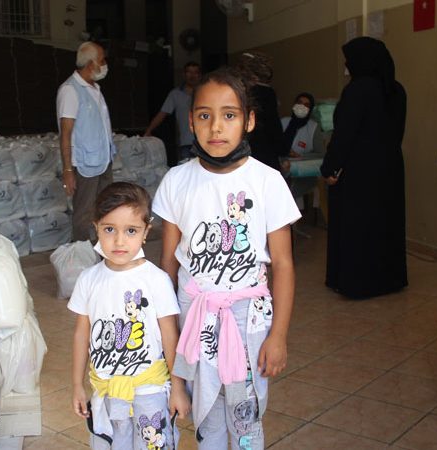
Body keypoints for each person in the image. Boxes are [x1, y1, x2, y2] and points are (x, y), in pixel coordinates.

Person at [154, 67, 300, 449]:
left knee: (245, 414)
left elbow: (282, 264)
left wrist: (279, 336)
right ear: (191, 120)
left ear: (249, 121)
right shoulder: (176, 181)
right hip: (194, 313)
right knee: (205, 412)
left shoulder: (267, 181)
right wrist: (164, 326)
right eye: (204, 115)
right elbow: (168, 264)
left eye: (229, 115)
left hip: (247, 317)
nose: (216, 127)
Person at [69, 182, 190, 450]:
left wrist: (178, 388)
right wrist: (77, 384)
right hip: (106, 390)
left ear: (146, 232)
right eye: (109, 229)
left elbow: (171, 336)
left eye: (131, 230)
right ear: (96, 226)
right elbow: (81, 334)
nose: (120, 241)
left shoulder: (156, 280)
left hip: (150, 390)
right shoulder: (89, 280)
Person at [319, 37, 407, 300]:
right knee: (384, 224)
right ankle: (388, 279)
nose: (346, 66)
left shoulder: (359, 89)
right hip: (389, 168)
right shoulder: (396, 90)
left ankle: (356, 282)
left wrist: (330, 168)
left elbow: (345, 134)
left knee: (356, 226)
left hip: (358, 171)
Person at [57, 41, 116, 242]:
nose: (105, 64)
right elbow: (66, 133)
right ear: (91, 64)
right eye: (102, 60)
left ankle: (102, 253)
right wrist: (67, 171)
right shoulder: (70, 90)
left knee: (106, 210)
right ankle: (80, 258)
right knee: (83, 213)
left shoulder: (95, 88)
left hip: (103, 161)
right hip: (84, 165)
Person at [144, 62, 202, 163]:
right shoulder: (175, 94)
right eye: (189, 72)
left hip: (205, 142)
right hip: (186, 143)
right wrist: (149, 130)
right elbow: (162, 113)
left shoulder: (206, 92)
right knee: (186, 174)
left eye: (195, 72)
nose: (192, 76)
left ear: (200, 75)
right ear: (184, 75)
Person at [236, 52, 284, 171]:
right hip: (264, 150)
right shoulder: (266, 93)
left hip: (246, 149)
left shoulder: (240, 93)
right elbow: (273, 125)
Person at [279, 93, 325, 158]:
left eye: (306, 105)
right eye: (299, 103)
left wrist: (299, 156)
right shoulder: (283, 121)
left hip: (300, 165)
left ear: (310, 109)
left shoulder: (314, 127)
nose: (301, 106)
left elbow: (321, 154)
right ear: (294, 105)